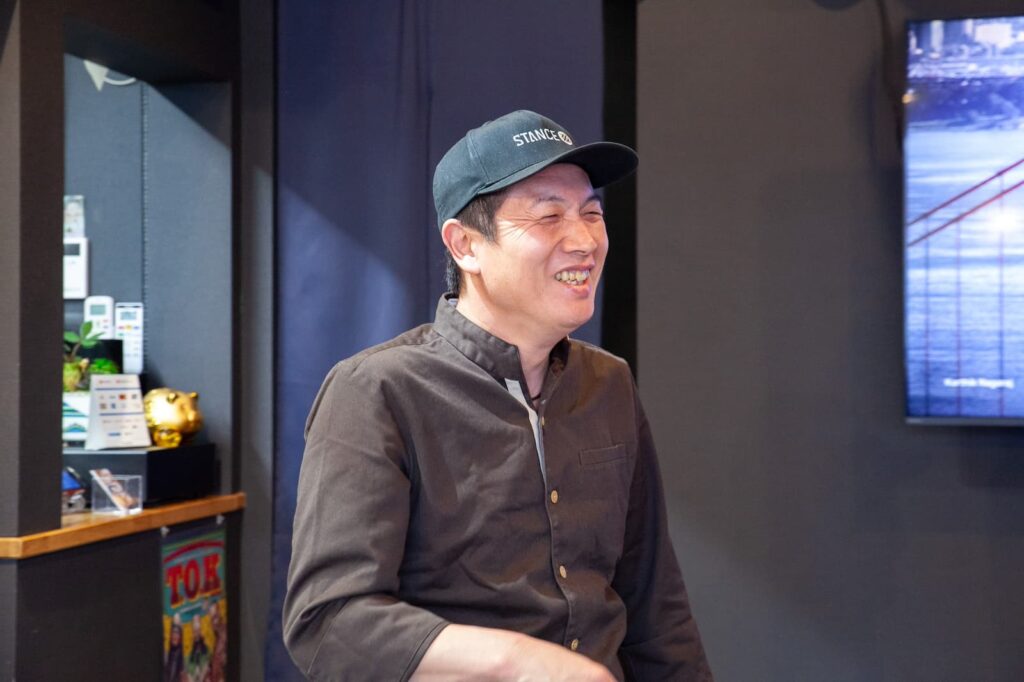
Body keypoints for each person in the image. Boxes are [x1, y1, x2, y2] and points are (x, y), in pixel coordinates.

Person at [284, 109, 712, 681]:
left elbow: (655, 607)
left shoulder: (608, 383)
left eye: (592, 213)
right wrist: (521, 663)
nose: (584, 240)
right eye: (549, 216)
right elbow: (328, 622)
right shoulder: (377, 391)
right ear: (465, 245)